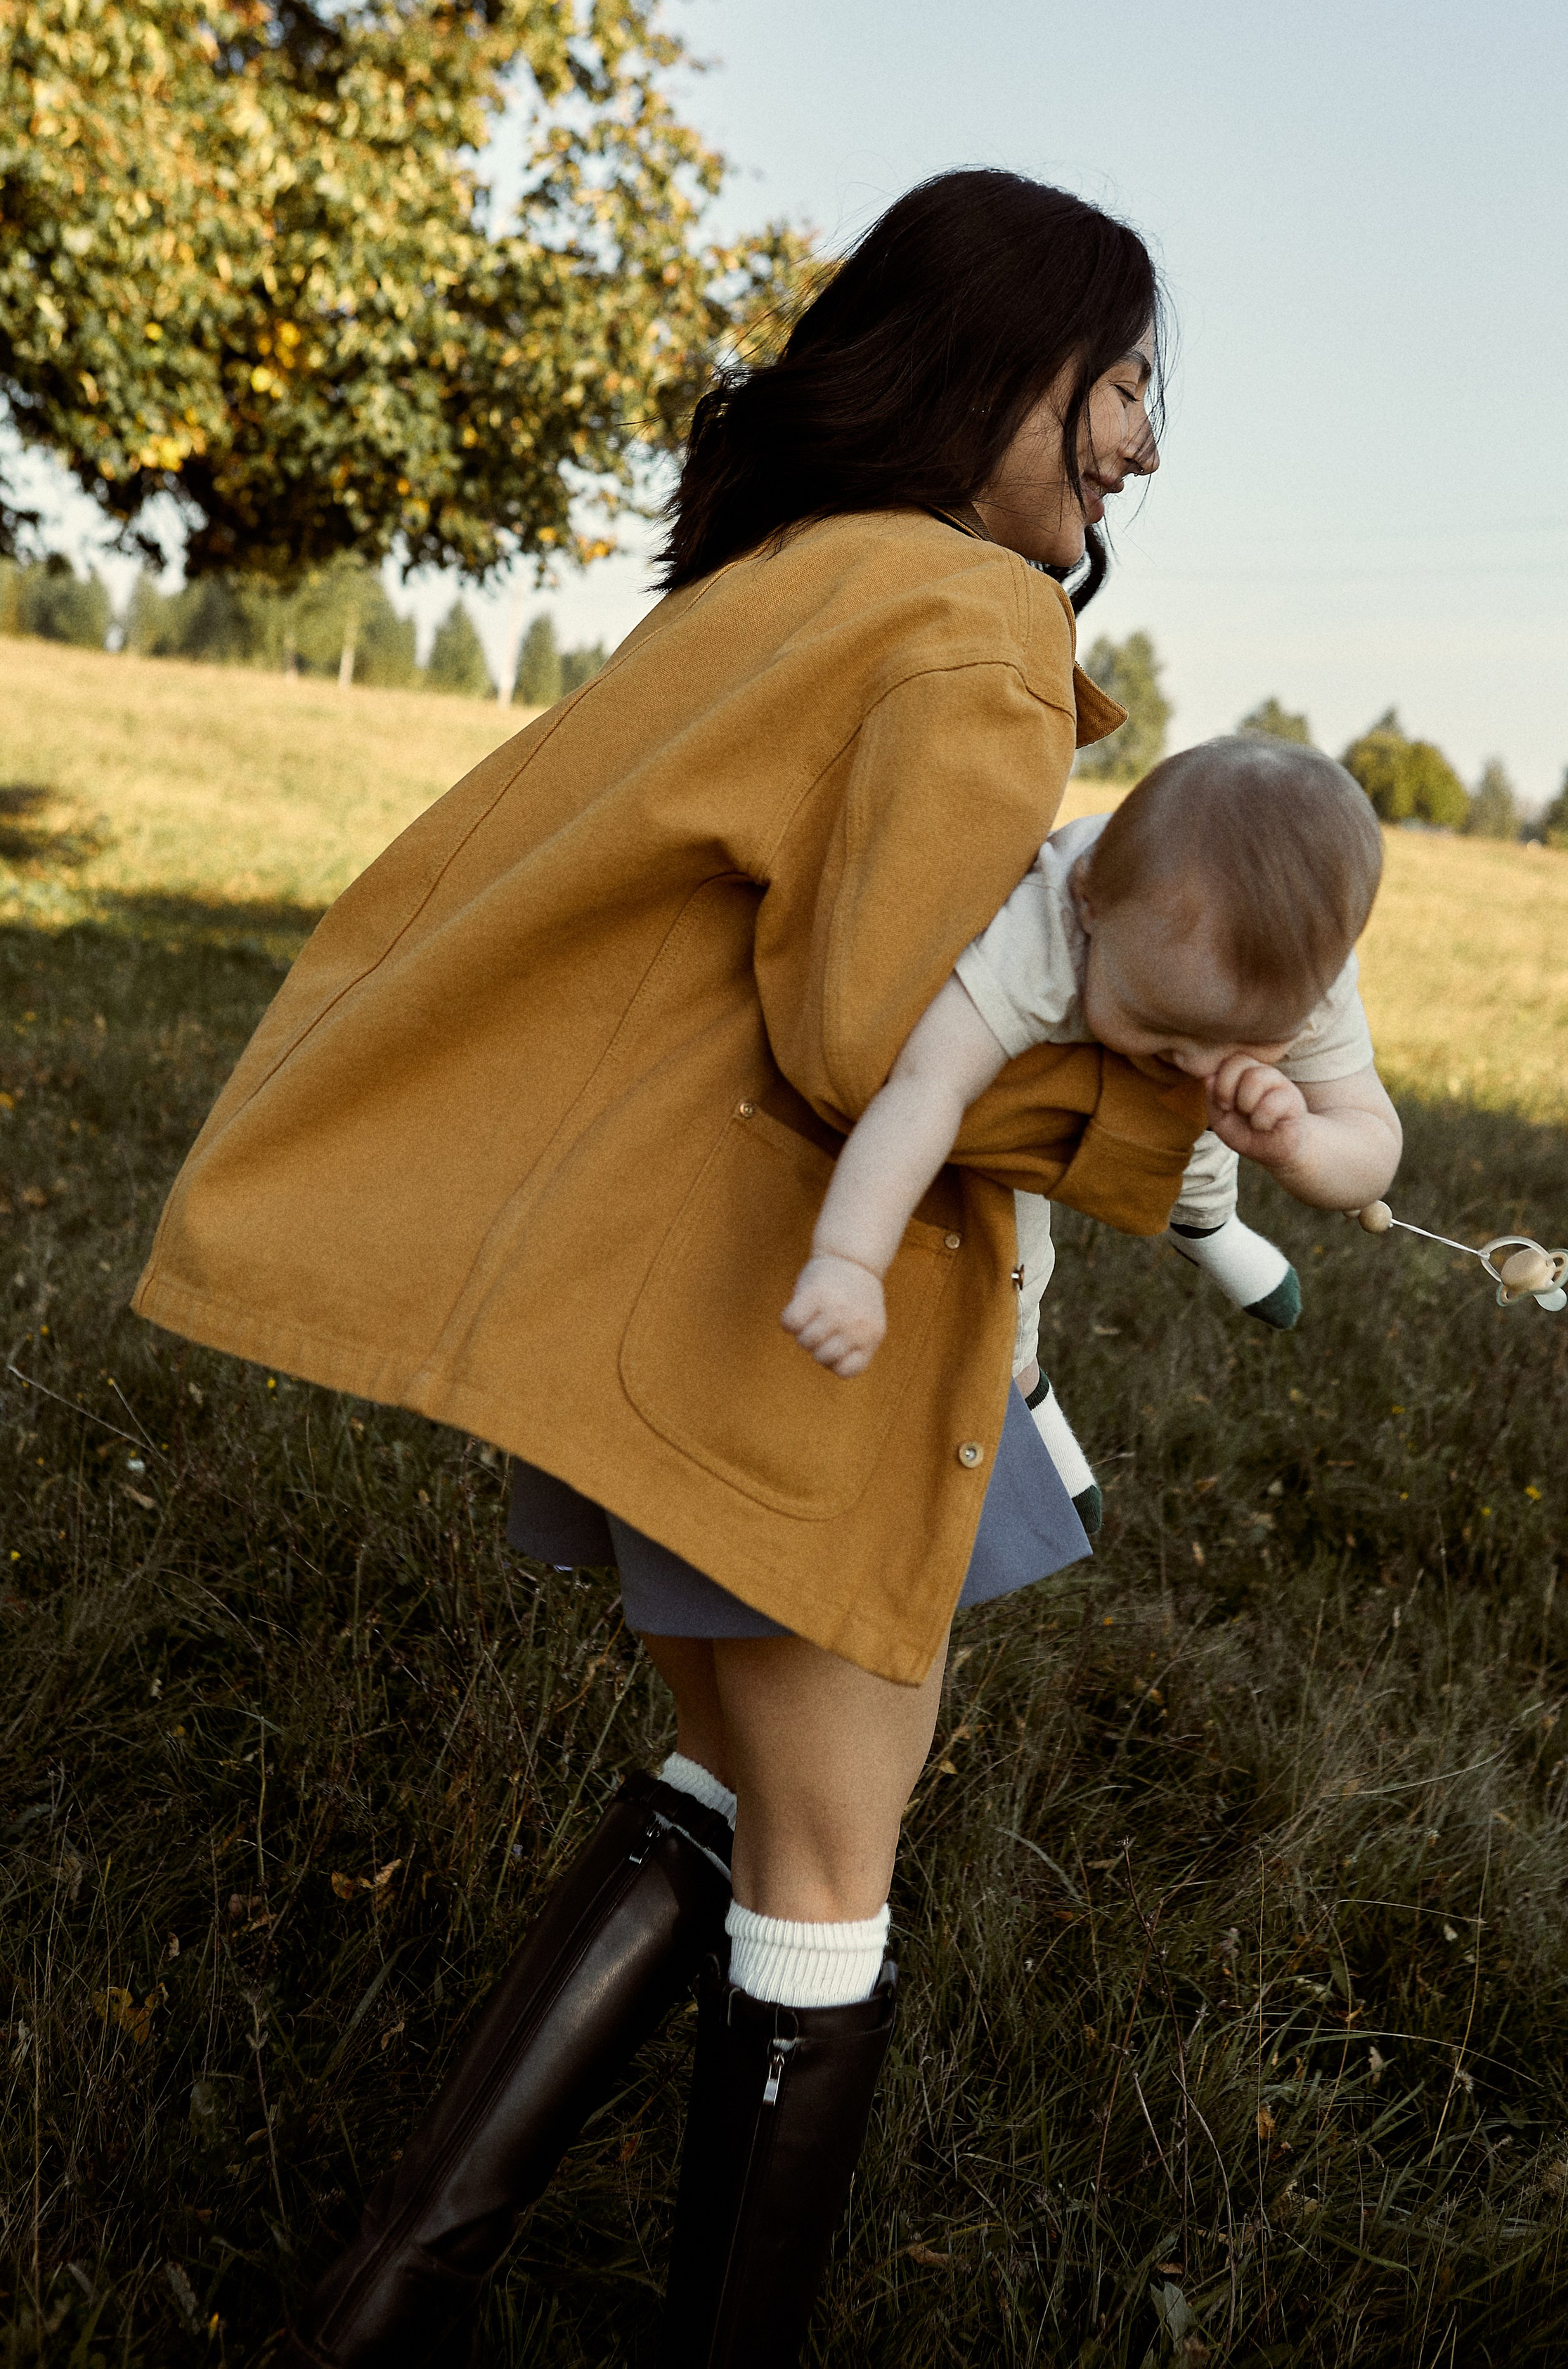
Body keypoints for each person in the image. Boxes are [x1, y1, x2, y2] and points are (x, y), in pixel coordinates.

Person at [132, 168, 1210, 2367]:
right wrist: (1170, 1130)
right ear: (992, 369)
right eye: (1116, 384)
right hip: (792, 1327)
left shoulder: (789, 574)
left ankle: (380, 2308)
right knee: (828, 1874)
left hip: (667, 1305)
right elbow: (871, 1031)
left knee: (752, 1787)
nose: (1142, 444)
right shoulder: (973, 620)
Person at [782, 741, 1403, 1536]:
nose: (1200, 1062)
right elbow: (924, 1088)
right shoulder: (1043, 932)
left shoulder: (1302, 980)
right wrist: (848, 1259)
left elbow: (1372, 1145)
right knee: (1009, 1252)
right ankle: (1023, 1387)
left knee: (1226, 1113)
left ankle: (1207, 1224)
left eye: (1250, 1039)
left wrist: (1300, 1147)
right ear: (1088, 904)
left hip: (1205, 1116)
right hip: (1034, 1102)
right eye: (1161, 1025)